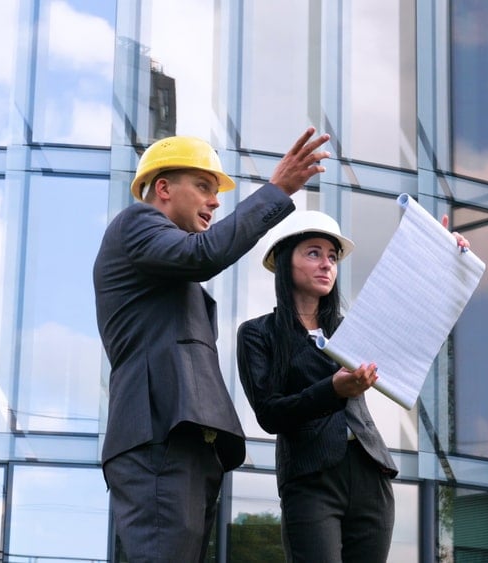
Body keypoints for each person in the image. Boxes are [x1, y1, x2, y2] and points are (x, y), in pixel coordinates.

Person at [93, 127, 331, 562]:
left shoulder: (165, 269)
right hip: (158, 436)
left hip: (183, 441)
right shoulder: (136, 223)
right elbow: (204, 255)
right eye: (204, 186)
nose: (215, 200)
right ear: (163, 188)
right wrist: (277, 190)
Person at [236, 210, 469, 562]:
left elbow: (409, 321)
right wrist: (332, 389)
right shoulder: (258, 333)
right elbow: (269, 414)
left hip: (369, 474)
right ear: (285, 261)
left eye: (332, 257)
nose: (326, 264)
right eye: (313, 253)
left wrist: (441, 258)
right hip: (311, 477)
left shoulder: (352, 328)